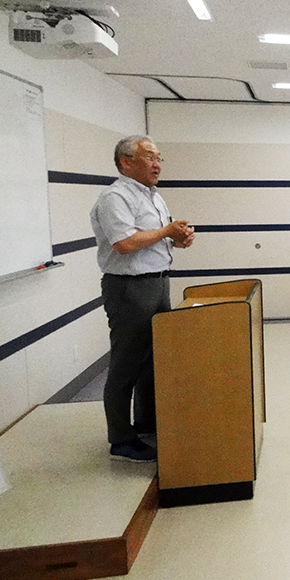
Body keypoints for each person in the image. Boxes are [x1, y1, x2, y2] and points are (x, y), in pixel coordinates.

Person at [90, 136, 195, 462]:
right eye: (149, 157)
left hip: (158, 283)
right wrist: (166, 232)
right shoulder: (114, 197)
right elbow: (123, 243)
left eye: (159, 158)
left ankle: (147, 423)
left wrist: (179, 238)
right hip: (129, 289)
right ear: (126, 162)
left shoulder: (153, 197)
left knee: (155, 359)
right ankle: (121, 439)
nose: (157, 164)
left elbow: (154, 239)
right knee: (127, 364)